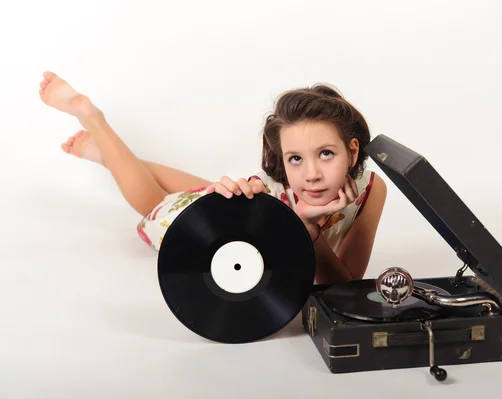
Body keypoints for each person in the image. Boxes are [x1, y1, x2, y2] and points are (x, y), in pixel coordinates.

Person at [38, 71, 387, 284]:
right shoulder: (268, 197)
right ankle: (95, 120)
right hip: (231, 219)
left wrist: (310, 232)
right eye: (295, 159)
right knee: (153, 203)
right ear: (282, 158)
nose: (311, 175)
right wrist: (301, 224)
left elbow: (346, 284)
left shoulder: (373, 189)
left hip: (250, 198)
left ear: (352, 151)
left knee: (195, 188)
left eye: (326, 154)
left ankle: (115, 157)